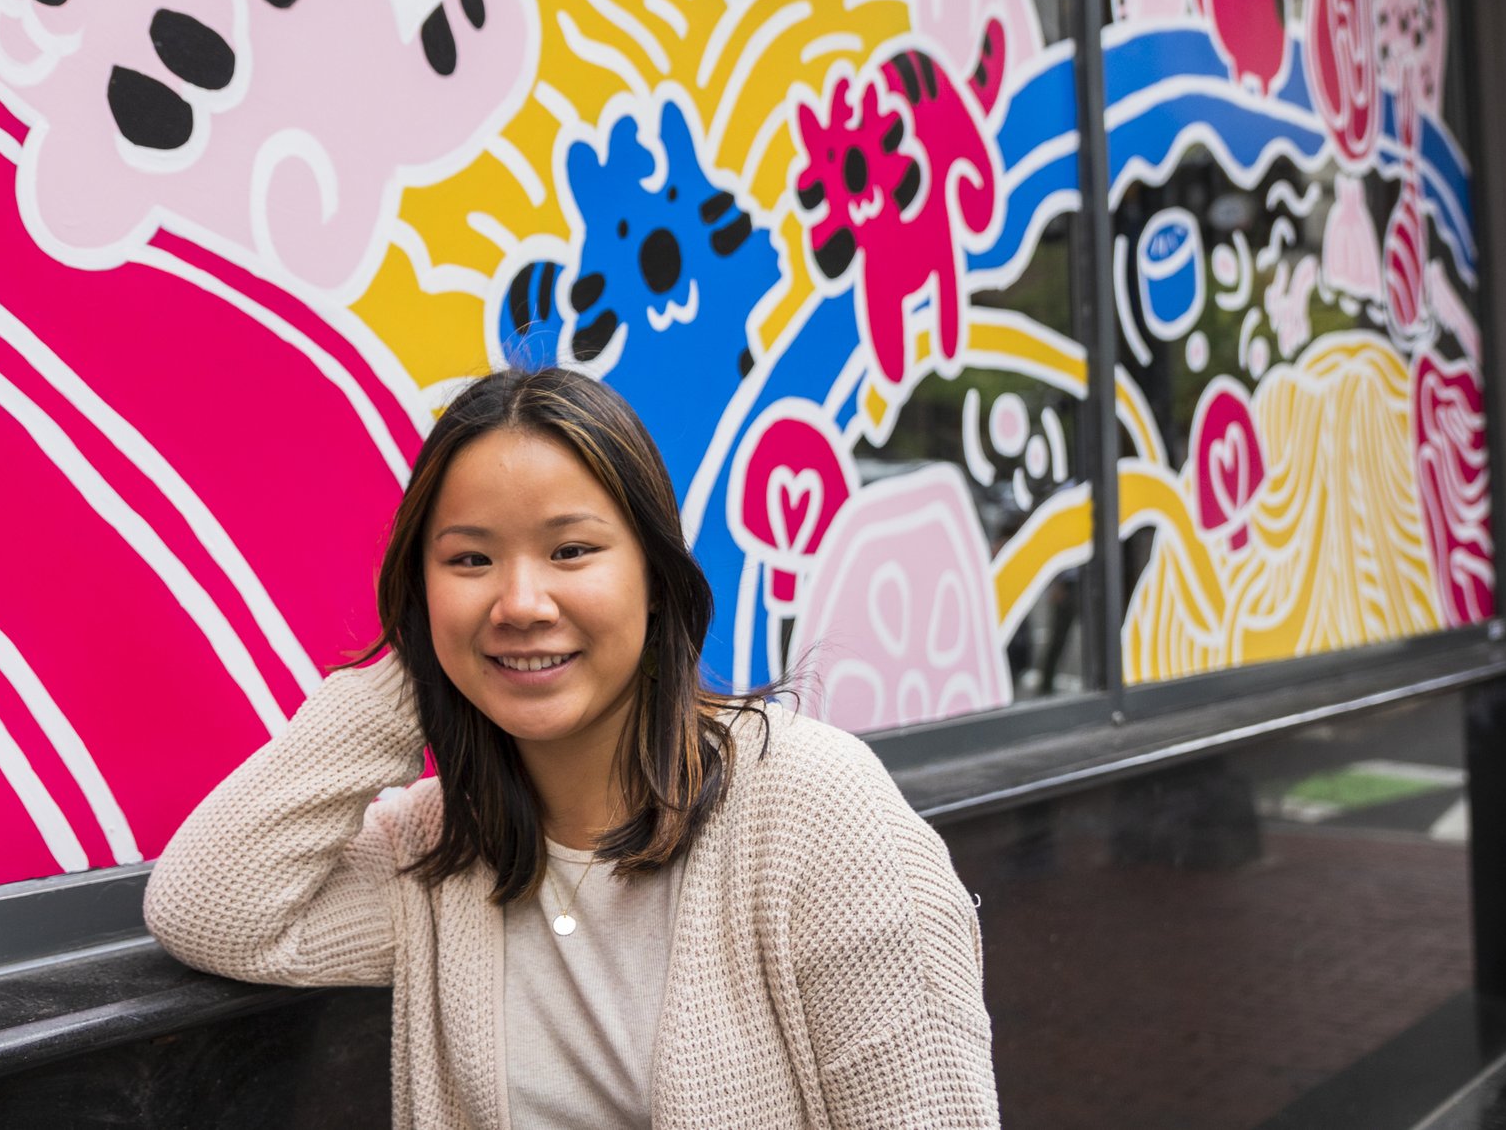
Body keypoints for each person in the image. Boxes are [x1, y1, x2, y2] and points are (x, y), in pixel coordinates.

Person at [145, 367, 999, 1128]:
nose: (520, 600)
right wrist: (428, 665)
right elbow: (211, 906)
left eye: (571, 551)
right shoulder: (442, 850)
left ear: (656, 580)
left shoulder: (816, 813)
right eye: (471, 558)